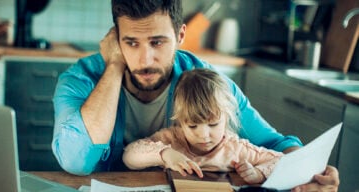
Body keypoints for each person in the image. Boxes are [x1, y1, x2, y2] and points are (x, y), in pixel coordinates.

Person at [52, 0, 339, 191]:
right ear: (115, 39)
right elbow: (76, 161)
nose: (145, 59)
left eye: (157, 42)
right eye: (131, 42)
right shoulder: (81, 79)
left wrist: (308, 172)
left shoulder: (205, 81)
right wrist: (114, 65)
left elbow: (275, 143)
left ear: (180, 35)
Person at [123, 68, 283, 184]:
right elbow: (129, 156)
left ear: (226, 119)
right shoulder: (172, 139)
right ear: (181, 121)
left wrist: (259, 173)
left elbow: (281, 160)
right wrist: (165, 154)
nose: (204, 135)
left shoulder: (235, 149)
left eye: (213, 124)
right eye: (193, 126)